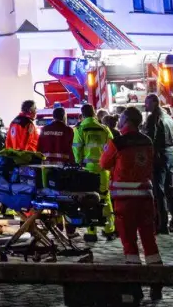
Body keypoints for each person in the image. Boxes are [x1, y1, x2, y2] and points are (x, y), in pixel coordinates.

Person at [103, 106, 164, 291]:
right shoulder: (147, 141)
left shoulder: (118, 143)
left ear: (127, 121)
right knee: (149, 240)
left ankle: (134, 284)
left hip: (124, 200)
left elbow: (104, 163)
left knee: (129, 243)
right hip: (145, 198)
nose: (119, 120)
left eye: (122, 118)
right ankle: (156, 281)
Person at [73, 102, 117, 240]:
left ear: (82, 115)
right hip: (103, 169)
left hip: (88, 170)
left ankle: (91, 232)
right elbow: (112, 148)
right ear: (95, 114)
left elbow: (77, 149)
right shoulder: (104, 129)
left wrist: (78, 163)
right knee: (105, 197)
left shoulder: (80, 129)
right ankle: (109, 229)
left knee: (89, 200)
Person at [143, 94, 173, 233]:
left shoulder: (153, 118)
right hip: (170, 155)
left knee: (158, 190)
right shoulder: (169, 118)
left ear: (154, 103)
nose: (145, 105)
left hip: (158, 156)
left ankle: (162, 223)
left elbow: (149, 139)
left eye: (147, 102)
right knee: (171, 189)